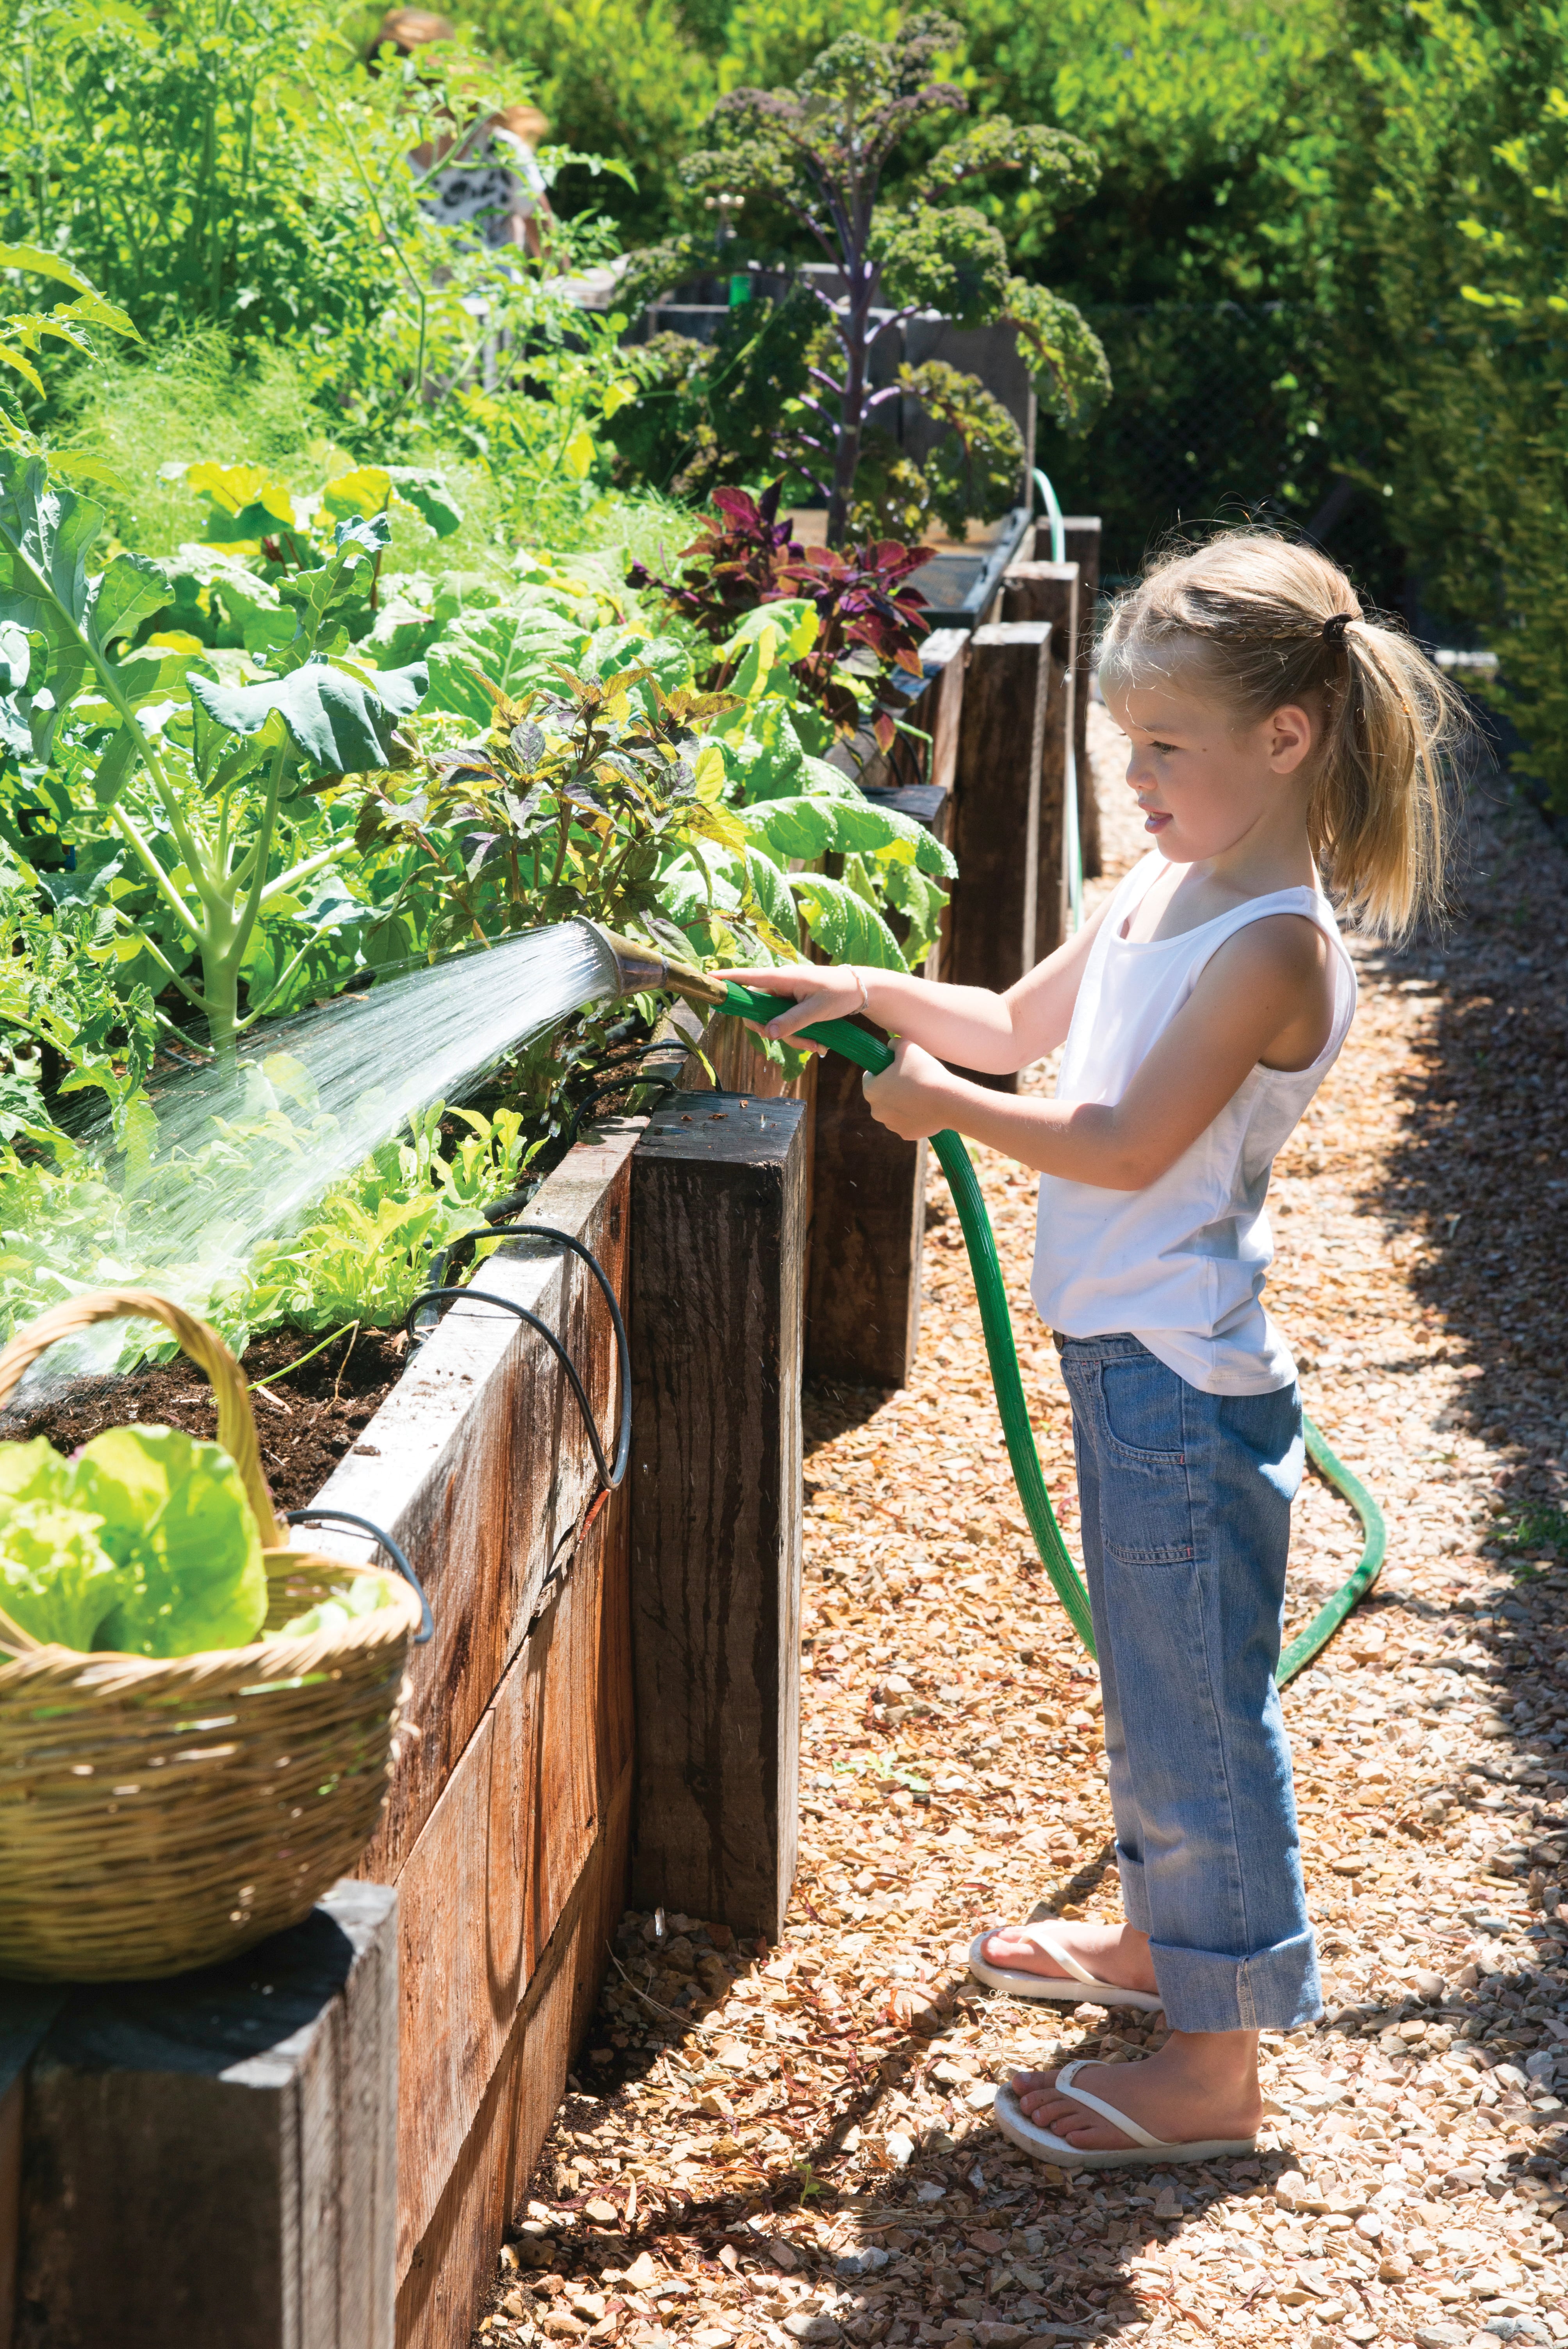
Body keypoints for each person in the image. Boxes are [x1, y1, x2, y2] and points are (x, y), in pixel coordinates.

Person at [721, 530, 1464, 2170]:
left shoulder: (1272, 942)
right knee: (1150, 1692)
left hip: (1179, 1382)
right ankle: (1157, 1948)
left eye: (1161, 747)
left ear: (1284, 737)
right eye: (1122, 742)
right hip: (1125, 1362)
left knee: (1197, 1711)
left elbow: (1122, 1139)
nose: (1127, 775)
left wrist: (937, 1114)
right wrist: (864, 988)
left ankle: (1215, 2068)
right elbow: (1005, 1017)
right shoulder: (1154, 885)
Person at [368, 11, 553, 258]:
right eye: (386, 81)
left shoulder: (501, 151)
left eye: (409, 82)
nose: (402, 97)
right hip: (413, 296)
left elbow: (550, 247)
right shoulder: (384, 161)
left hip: (492, 295)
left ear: (440, 76)